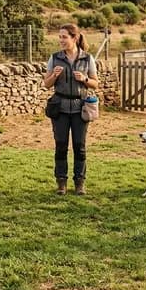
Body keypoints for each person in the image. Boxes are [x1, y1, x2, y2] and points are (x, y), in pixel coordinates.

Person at [43, 23, 98, 195]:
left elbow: (95, 83)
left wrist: (84, 79)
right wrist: (54, 75)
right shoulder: (54, 58)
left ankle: (79, 182)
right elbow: (46, 84)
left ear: (74, 38)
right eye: (59, 37)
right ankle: (61, 182)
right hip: (59, 108)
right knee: (61, 146)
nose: (61, 40)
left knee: (79, 146)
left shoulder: (88, 59)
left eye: (64, 37)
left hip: (80, 108)